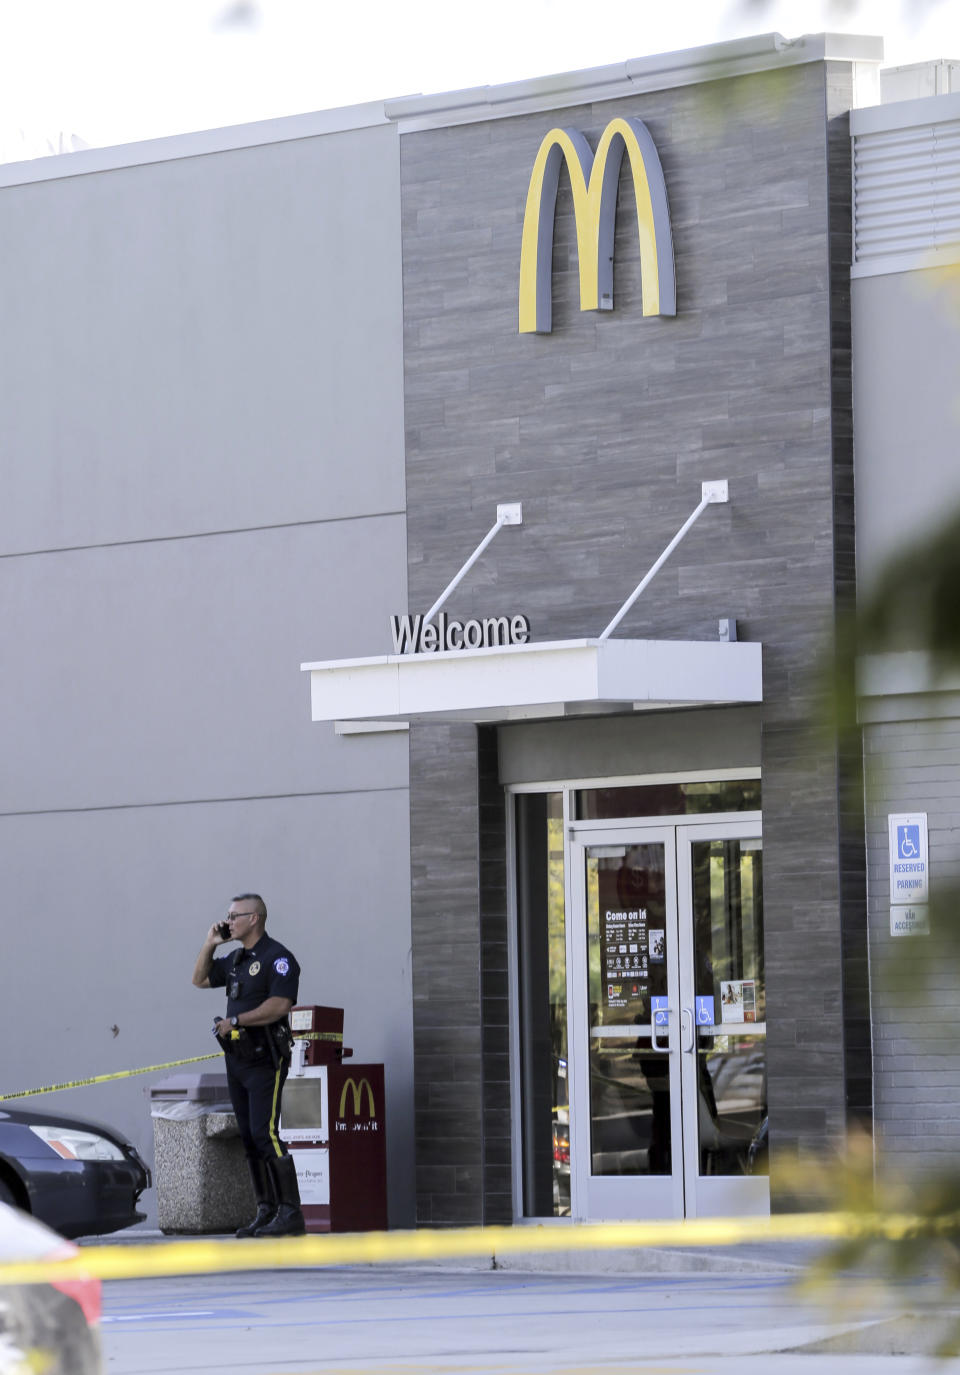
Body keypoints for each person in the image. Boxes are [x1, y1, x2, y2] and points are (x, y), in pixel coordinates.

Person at [192, 892, 305, 1238]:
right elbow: (199, 979)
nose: (228, 921)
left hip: (265, 1059)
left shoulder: (278, 958)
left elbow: (280, 1005)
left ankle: (291, 1213)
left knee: (264, 1132)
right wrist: (210, 943)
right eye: (227, 915)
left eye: (234, 915)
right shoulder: (237, 958)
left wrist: (237, 1020)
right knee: (249, 1137)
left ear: (254, 918)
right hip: (237, 1061)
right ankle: (266, 1210)